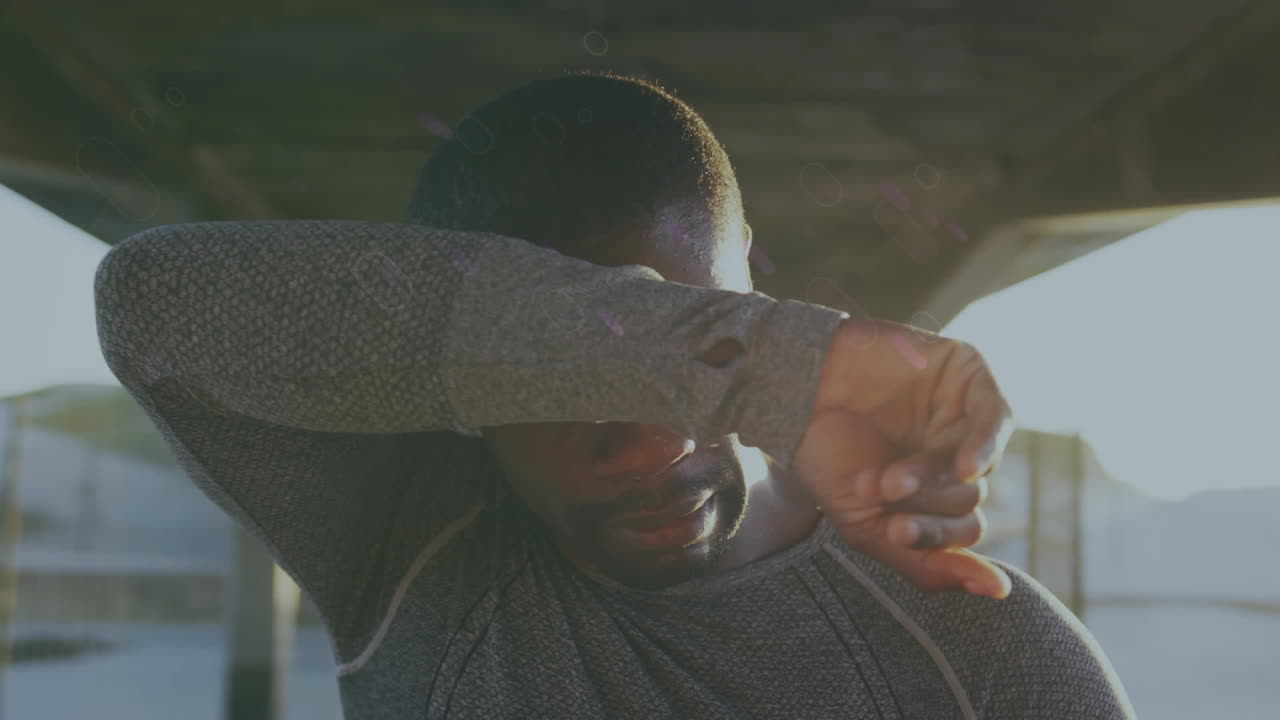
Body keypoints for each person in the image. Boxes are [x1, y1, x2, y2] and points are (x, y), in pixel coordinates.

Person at [93, 72, 1136, 719]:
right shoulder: (414, 545)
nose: (641, 448)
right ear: (464, 381)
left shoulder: (980, 650)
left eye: (685, 340)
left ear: (749, 299)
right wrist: (735, 362)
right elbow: (151, 307)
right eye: (567, 378)